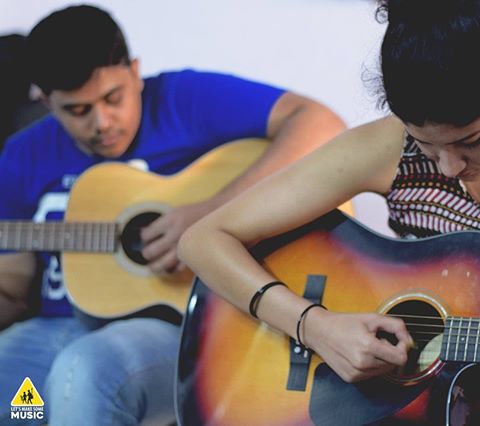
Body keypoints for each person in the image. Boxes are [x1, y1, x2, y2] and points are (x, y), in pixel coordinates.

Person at [178, 0, 480, 424]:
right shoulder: (389, 146)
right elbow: (204, 239)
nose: (449, 167)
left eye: (471, 140)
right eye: (426, 145)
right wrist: (313, 326)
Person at [0, 4, 345, 426]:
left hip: (182, 325)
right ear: (44, 99)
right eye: (77, 110)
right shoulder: (21, 155)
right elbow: (12, 290)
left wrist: (209, 215)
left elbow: (321, 124)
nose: (102, 122)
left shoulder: (184, 99)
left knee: (83, 370)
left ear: (135, 71)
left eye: (113, 98)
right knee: (16, 391)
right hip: (53, 329)